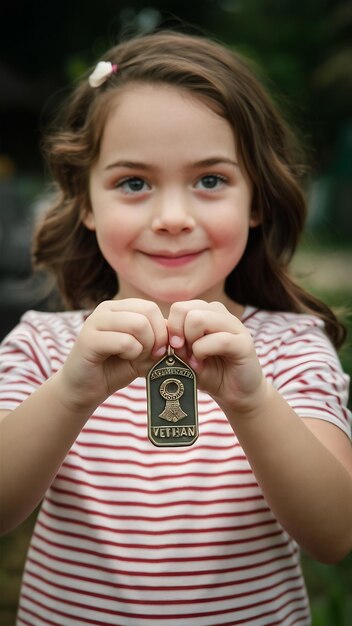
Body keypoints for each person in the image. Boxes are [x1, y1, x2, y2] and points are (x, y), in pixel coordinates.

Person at [0, 30, 351, 626]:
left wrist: (252, 399)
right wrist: (69, 394)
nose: (171, 218)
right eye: (133, 183)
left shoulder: (291, 348)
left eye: (210, 180)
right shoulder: (42, 345)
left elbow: (334, 533)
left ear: (256, 199)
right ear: (86, 201)